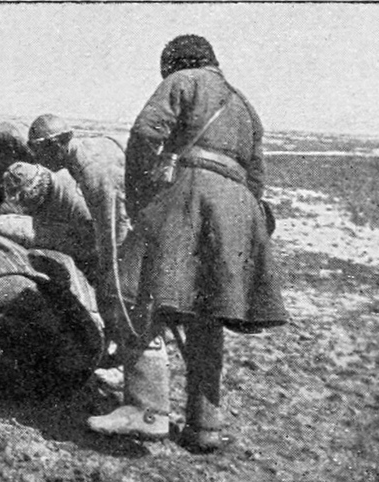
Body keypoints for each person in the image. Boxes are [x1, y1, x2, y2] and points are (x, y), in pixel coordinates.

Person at [86, 35, 288, 451]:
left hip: (192, 193)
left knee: (127, 289)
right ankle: (204, 426)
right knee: (207, 312)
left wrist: (143, 198)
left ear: (174, 64)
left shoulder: (185, 81)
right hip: (239, 208)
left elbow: (145, 134)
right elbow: (256, 178)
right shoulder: (246, 105)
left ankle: (145, 410)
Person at [25, 114, 131, 292]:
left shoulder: (92, 172)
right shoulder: (82, 151)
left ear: (56, 146)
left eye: (39, 151)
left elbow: (114, 230)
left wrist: (108, 275)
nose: (38, 159)